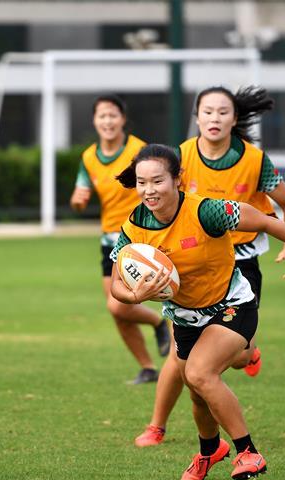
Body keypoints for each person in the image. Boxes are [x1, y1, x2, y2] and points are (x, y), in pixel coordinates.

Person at [109, 144, 285, 480]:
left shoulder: (207, 211)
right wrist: (136, 294)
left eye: (157, 181)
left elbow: (267, 222)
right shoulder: (135, 226)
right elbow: (117, 285)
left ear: (177, 179)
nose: (149, 190)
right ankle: (210, 451)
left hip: (231, 304)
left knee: (199, 373)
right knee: (196, 393)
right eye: (142, 183)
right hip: (186, 317)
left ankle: (248, 452)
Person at [134, 85, 285, 447]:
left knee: (233, 359)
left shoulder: (254, 160)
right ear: (196, 117)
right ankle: (157, 426)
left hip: (240, 264)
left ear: (235, 118)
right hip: (189, 264)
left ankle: (248, 352)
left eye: (223, 112)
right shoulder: (179, 157)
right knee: (181, 357)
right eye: (207, 111)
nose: (214, 118)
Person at [70, 95, 170, 385]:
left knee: (119, 305)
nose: (108, 121)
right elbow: (81, 197)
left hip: (143, 236)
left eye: (113, 115)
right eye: (102, 116)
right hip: (110, 240)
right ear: (94, 121)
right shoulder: (89, 157)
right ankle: (148, 367)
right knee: (118, 312)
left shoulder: (140, 151)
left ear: (123, 119)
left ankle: (165, 330)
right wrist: (78, 202)